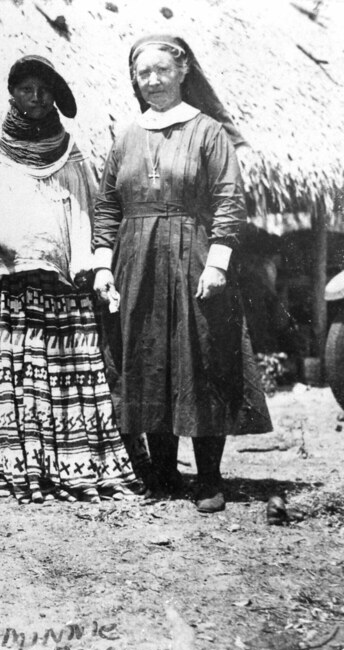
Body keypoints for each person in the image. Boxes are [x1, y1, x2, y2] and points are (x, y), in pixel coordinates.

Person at [92, 34, 272, 513]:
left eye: (162, 71)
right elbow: (108, 205)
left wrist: (217, 263)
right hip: (137, 263)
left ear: (183, 71)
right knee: (148, 357)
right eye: (143, 73)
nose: (153, 81)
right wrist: (102, 266)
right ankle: (165, 473)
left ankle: (209, 478)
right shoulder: (126, 136)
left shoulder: (209, 132)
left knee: (201, 356)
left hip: (193, 256)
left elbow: (229, 201)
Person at [0, 56, 141, 504]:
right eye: (27, 89)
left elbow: (86, 208)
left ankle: (77, 467)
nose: (36, 97)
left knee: (70, 375)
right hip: (12, 282)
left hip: (64, 283)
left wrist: (85, 262)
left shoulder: (71, 150)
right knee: (20, 376)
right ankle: (24, 473)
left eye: (44, 91)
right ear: (12, 93)